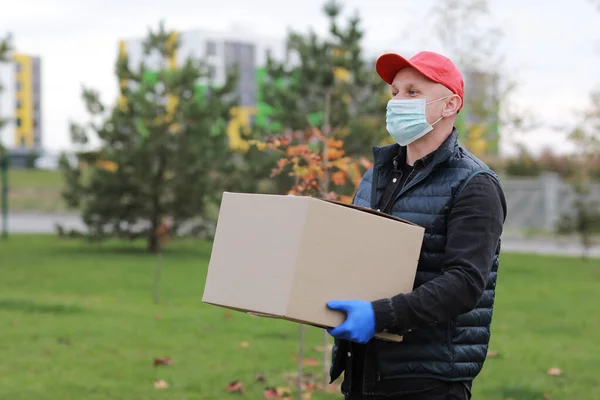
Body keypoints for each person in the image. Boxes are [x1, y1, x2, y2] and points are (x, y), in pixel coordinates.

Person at [325, 51, 507, 399]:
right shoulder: (374, 175)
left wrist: (380, 315)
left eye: (412, 92)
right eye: (394, 92)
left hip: (427, 379)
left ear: (449, 104)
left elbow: (465, 282)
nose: (397, 102)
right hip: (363, 369)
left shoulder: (475, 184)